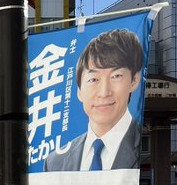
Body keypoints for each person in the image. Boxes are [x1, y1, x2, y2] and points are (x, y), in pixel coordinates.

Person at [45, 28, 144, 172]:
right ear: (79, 91)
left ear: (134, 81)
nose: (104, 93)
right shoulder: (55, 161)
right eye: (93, 79)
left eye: (116, 76)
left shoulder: (148, 144)